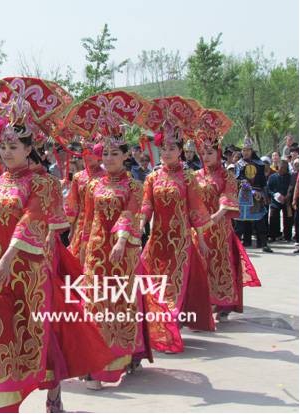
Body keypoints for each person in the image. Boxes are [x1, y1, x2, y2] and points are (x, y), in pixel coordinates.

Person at [0, 113, 113, 413]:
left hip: (31, 272)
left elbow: (33, 219)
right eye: (3, 146)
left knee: (39, 333)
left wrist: (9, 257)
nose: (6, 152)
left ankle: (53, 394)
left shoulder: (43, 183)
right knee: (1, 334)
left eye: (14, 146)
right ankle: (4, 404)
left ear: (29, 149)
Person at [81, 130, 151, 390]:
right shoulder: (94, 185)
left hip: (123, 253)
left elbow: (130, 214)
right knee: (95, 305)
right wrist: (83, 246)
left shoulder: (134, 186)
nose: (108, 158)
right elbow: (88, 219)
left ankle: (119, 358)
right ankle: (94, 363)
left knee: (120, 304)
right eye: (105, 154)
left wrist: (121, 241)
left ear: (125, 156)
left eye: (114, 154)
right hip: (97, 252)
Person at [138, 120, 215, 354]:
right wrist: (140, 224)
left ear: (180, 150)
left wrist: (201, 239)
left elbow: (195, 209)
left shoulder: (187, 177)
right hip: (157, 239)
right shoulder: (152, 178)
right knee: (152, 282)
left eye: (172, 148)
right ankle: (156, 327)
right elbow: (146, 205)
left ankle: (169, 329)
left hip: (180, 241)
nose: (167, 153)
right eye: (164, 148)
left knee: (173, 285)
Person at [193, 110, 261, 321]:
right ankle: (201, 301)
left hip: (220, 227)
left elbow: (228, 195)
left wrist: (219, 213)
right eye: (203, 153)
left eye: (210, 152)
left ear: (218, 152)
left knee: (220, 263)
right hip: (199, 228)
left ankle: (222, 302)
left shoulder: (226, 175)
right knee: (199, 264)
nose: (206, 156)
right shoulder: (194, 176)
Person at [63, 138, 105, 259]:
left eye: (90, 153)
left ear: (99, 156)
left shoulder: (106, 176)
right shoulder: (78, 177)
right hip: (81, 222)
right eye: (84, 152)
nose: (87, 156)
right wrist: (72, 229)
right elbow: (73, 203)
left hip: (99, 221)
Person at [234, 137, 273, 253]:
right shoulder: (239, 164)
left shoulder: (259, 164)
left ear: (252, 151)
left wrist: (265, 195)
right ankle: (235, 246)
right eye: (243, 150)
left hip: (257, 196)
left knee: (260, 221)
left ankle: (264, 244)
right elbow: (239, 179)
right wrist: (250, 190)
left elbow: (263, 182)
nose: (245, 152)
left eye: (247, 150)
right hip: (243, 196)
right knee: (239, 223)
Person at [268, 159, 293, 242]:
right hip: (275, 201)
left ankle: (287, 236)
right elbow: (269, 189)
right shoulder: (272, 177)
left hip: (287, 200)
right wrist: (274, 194)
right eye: (281, 167)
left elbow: (292, 187)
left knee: (288, 218)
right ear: (278, 167)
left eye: (285, 168)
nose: (283, 170)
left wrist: (287, 196)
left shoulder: (289, 177)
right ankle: (273, 235)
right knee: (273, 217)